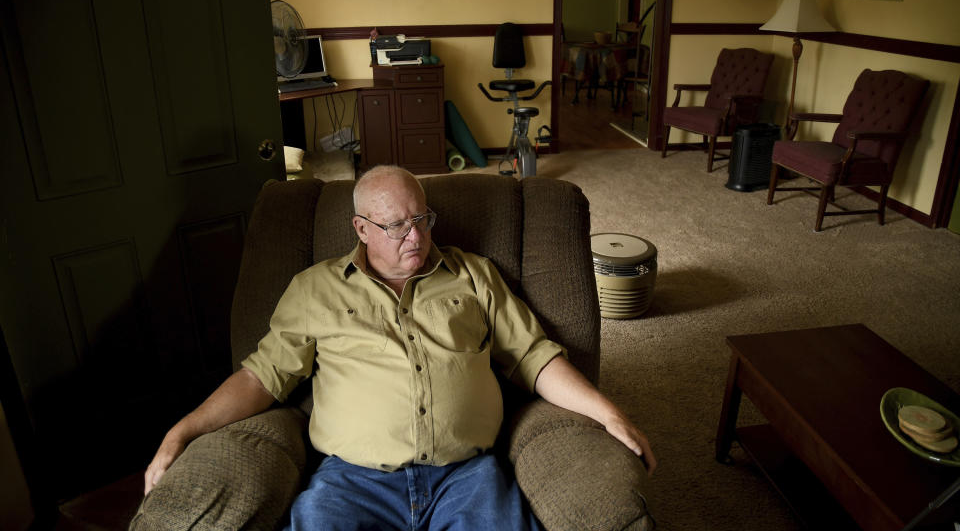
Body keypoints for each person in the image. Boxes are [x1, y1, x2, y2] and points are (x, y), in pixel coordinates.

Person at [144, 166, 655, 529]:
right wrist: (182, 431)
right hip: (351, 481)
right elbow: (261, 376)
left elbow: (533, 356)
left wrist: (608, 413)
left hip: (468, 475)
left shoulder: (473, 275)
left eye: (422, 220)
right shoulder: (315, 288)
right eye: (395, 226)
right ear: (361, 229)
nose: (415, 237)